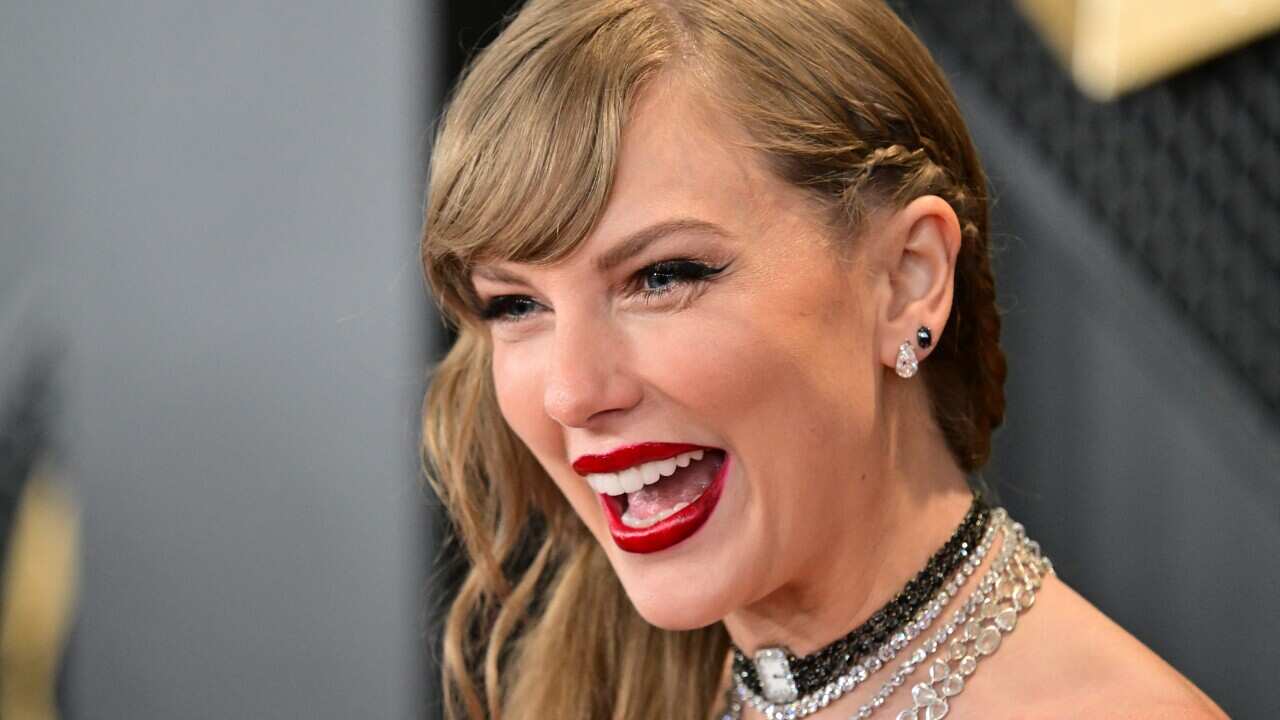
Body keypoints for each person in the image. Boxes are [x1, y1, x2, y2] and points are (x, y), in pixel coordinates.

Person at [418, 1, 1228, 718]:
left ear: (908, 281)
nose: (571, 391)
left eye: (662, 277)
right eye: (516, 305)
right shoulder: (620, 687)